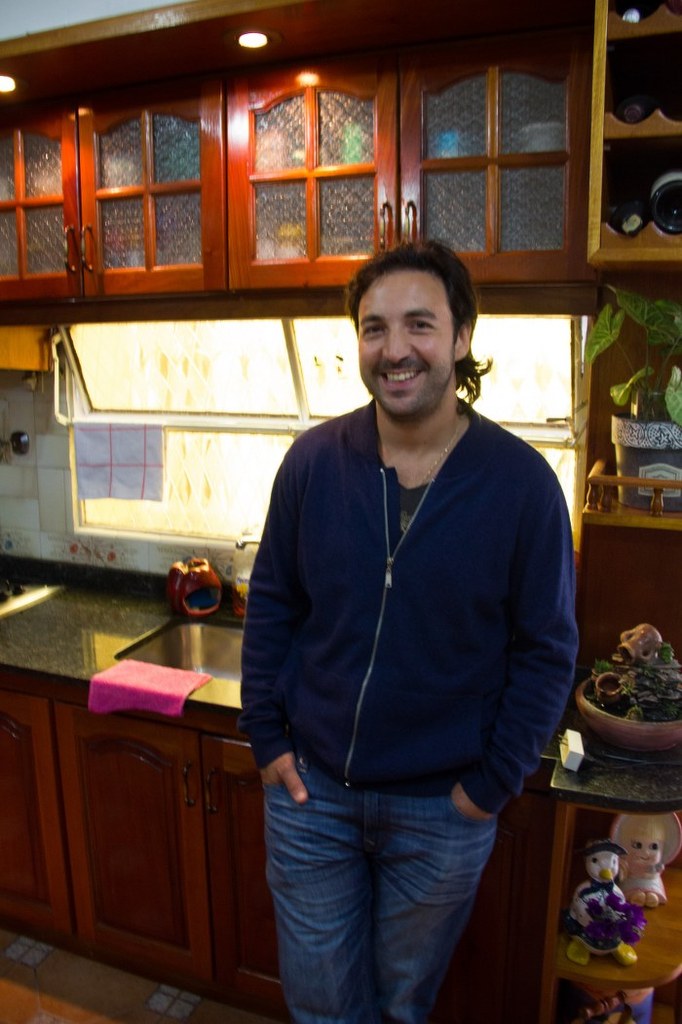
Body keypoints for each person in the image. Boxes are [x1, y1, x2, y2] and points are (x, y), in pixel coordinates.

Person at [239, 239, 578, 1024]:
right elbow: (274, 603)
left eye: (419, 324)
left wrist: (490, 786)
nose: (394, 349)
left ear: (461, 338)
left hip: (441, 811)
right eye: (374, 328)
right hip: (312, 796)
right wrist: (267, 738)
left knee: (401, 1005)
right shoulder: (313, 463)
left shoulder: (522, 485)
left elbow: (547, 650)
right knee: (322, 1008)